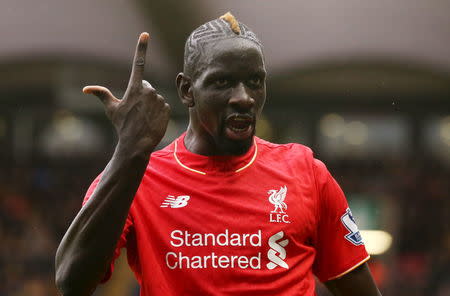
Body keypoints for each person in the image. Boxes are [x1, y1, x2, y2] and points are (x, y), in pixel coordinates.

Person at [55, 12, 381, 296]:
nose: (244, 97)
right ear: (187, 91)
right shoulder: (137, 176)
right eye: (223, 82)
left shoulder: (306, 172)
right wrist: (129, 151)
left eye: (255, 81)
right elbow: (72, 282)